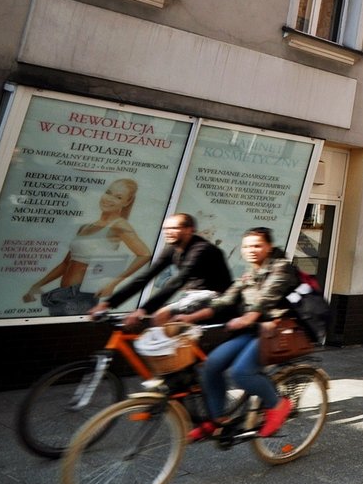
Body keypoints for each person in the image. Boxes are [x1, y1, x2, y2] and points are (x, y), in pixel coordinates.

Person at [178, 227, 298, 441]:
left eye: (257, 245)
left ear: (269, 247)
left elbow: (266, 298)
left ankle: (278, 405)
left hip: (276, 330)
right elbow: (225, 301)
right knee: (210, 366)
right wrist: (190, 317)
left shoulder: (282, 268)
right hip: (252, 331)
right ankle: (217, 421)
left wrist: (246, 318)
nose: (251, 250)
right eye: (247, 246)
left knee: (241, 373)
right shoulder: (249, 274)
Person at [23, 178, 152, 316]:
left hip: (81, 296)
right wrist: (37, 285)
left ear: (127, 202)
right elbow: (66, 264)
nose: (109, 199)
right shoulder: (85, 227)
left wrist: (113, 283)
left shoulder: (119, 225)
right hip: (63, 294)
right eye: (108, 192)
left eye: (118, 197)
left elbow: (144, 255)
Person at [90, 213, 233, 326]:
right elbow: (145, 277)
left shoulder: (202, 249)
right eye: (165, 229)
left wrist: (143, 310)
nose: (168, 232)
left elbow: (178, 282)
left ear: (189, 230)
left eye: (174, 228)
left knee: (161, 316)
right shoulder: (172, 250)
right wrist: (107, 304)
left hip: (215, 297)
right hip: (193, 296)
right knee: (162, 324)